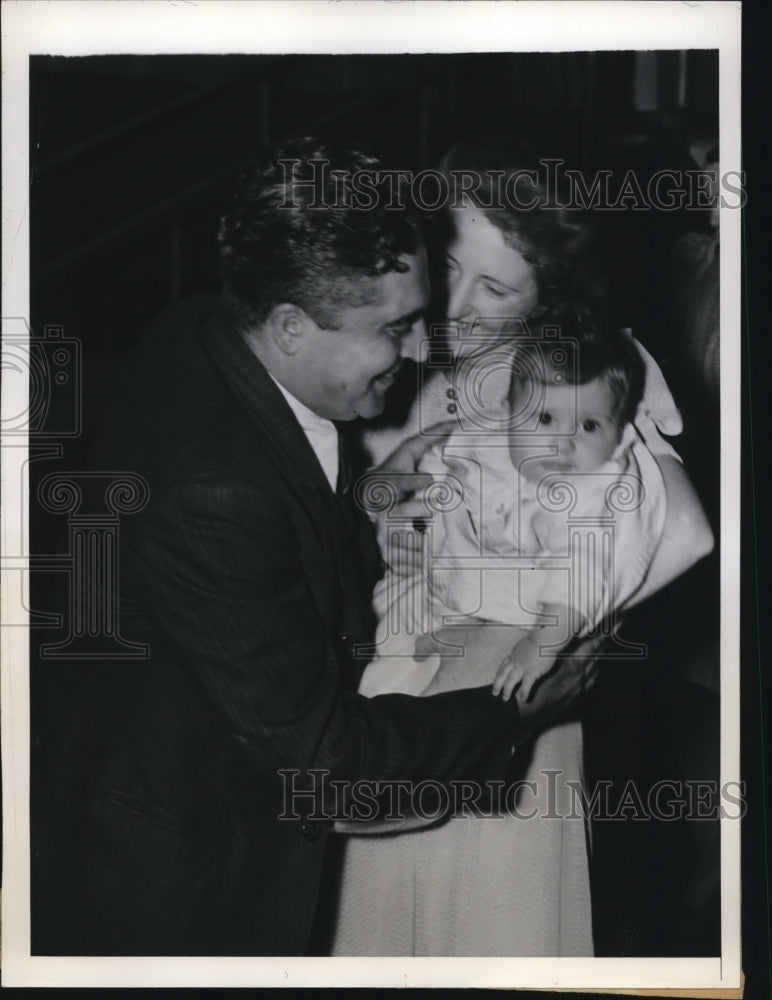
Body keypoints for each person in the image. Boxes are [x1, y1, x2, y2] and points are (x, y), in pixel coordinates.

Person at [30, 138, 598, 958]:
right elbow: (330, 768)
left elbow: (279, 552)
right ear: (292, 325)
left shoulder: (201, 328)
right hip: (173, 884)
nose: (416, 349)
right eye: (394, 327)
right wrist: (519, 711)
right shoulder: (213, 493)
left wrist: (365, 510)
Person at [330, 144, 713, 957]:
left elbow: (681, 529)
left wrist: (544, 612)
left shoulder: (563, 383)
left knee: (482, 924)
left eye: (495, 288)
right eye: (450, 268)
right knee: (377, 911)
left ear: (549, 301)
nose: (456, 307)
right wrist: (389, 522)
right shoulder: (397, 354)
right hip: (393, 681)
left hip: (502, 691)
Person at [362, 311, 668, 705]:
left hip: (512, 621)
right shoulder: (489, 436)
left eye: (590, 426)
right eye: (544, 418)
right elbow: (443, 465)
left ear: (621, 432)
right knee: (378, 671)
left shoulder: (593, 492)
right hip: (437, 589)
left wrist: (541, 644)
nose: (563, 444)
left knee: (443, 710)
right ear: (508, 413)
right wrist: (419, 513)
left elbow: (580, 575)